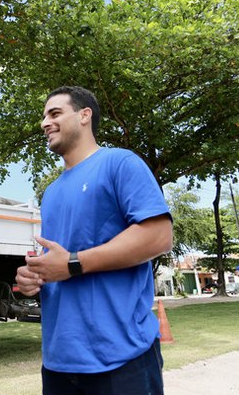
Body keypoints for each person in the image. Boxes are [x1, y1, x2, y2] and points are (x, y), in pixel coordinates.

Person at [15, 86, 173, 395]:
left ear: (84, 115)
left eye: (55, 113)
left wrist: (73, 263)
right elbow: (57, 263)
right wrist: (35, 278)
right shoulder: (50, 193)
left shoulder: (120, 163)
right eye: (44, 116)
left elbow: (159, 236)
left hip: (122, 359)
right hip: (59, 364)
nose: (44, 123)